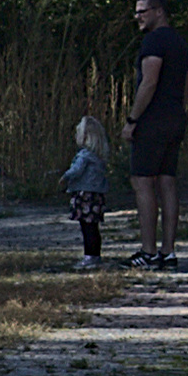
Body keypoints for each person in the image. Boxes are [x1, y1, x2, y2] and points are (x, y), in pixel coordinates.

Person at [124, 0, 188, 269]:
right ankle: (168, 251)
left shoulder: (154, 41)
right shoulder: (179, 42)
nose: (137, 17)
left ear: (159, 12)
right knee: (167, 181)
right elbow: (186, 84)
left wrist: (132, 119)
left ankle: (148, 251)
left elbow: (149, 82)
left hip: (153, 120)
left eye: (143, 11)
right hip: (175, 117)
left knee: (142, 181)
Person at [62, 115, 111, 270]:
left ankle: (89, 256)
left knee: (86, 227)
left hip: (84, 195)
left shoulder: (84, 156)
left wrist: (65, 176)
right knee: (93, 227)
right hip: (97, 195)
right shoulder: (99, 158)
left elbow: (76, 170)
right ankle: (94, 255)